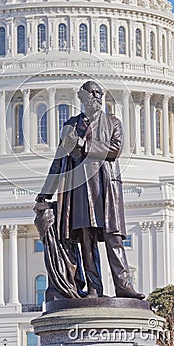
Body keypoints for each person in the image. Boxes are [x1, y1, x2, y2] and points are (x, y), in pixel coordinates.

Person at [35, 80, 144, 300]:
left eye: (99, 93)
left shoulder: (113, 122)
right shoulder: (71, 126)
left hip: (105, 187)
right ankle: (95, 288)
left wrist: (83, 146)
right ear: (82, 98)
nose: (97, 97)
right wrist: (45, 194)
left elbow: (114, 150)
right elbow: (59, 162)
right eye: (92, 93)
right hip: (80, 189)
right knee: (87, 239)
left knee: (114, 238)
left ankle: (123, 285)